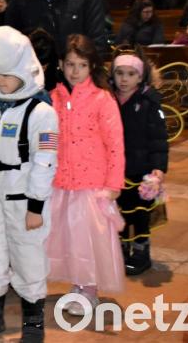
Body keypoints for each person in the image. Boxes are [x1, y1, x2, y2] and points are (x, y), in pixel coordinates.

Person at [0, 26, 58, 343]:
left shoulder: (42, 113)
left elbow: (45, 163)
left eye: (6, 74)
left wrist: (36, 207)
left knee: (28, 257)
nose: (0, 81)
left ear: (25, 70)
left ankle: (33, 324)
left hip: (23, 199)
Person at [47, 34, 126, 315]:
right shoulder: (54, 98)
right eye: (70, 64)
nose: (75, 71)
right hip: (61, 182)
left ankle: (89, 288)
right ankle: (77, 284)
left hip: (91, 184)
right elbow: (47, 138)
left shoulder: (102, 99)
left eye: (81, 65)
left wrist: (114, 182)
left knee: (89, 241)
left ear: (91, 66)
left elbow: (115, 143)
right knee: (67, 239)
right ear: (61, 64)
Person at [110, 49, 168, 276]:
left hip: (141, 170)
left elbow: (158, 138)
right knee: (119, 213)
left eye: (131, 74)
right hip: (117, 170)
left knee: (140, 213)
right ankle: (121, 250)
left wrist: (158, 168)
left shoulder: (148, 101)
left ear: (141, 76)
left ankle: (142, 252)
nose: (124, 79)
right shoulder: (108, 99)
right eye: (120, 73)